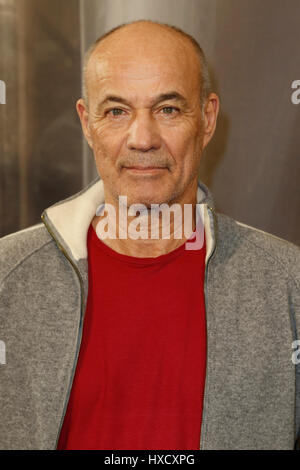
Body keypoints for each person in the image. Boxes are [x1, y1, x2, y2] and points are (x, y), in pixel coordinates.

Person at [0, 20, 299, 451]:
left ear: (208, 119)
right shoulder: (8, 277)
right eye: (117, 111)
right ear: (87, 122)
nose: (142, 139)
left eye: (168, 109)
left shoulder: (288, 285)